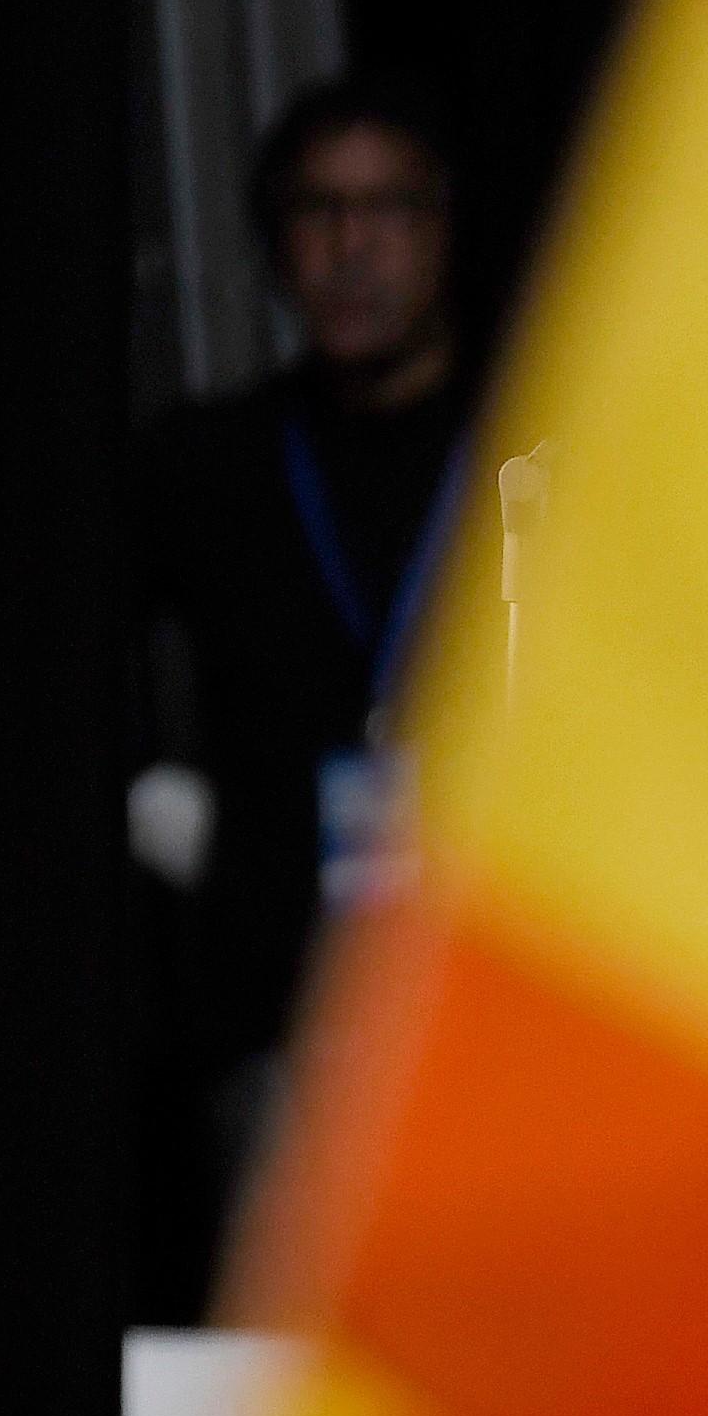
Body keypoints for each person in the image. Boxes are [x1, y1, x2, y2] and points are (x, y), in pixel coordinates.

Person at [128, 71, 482, 1276]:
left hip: (493, 1008)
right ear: (277, 247)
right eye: (317, 212)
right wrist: (163, 816)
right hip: (278, 1013)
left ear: (444, 231)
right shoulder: (203, 464)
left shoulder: (543, 446)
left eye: (388, 209)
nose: (351, 246)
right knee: (283, 1390)